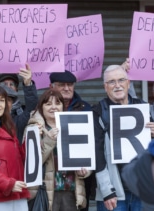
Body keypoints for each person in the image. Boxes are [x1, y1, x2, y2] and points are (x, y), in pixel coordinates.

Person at [93, 65, 154, 211]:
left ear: (128, 83)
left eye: (121, 80)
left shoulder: (143, 107)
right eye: (111, 82)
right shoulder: (98, 111)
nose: (117, 85)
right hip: (114, 192)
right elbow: (97, 153)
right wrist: (106, 190)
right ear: (105, 87)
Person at [26, 89, 90, 211]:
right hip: (46, 192)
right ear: (41, 107)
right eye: (48, 104)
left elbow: (86, 156)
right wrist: (49, 139)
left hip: (71, 191)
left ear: (63, 106)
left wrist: (85, 171)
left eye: (57, 103)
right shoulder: (34, 128)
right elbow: (32, 164)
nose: (53, 107)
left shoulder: (73, 125)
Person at [49, 70, 93, 211]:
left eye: (70, 85)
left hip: (76, 184)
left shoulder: (86, 109)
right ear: (52, 87)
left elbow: (93, 145)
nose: (67, 88)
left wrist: (87, 170)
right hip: (50, 184)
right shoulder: (44, 109)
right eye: (62, 85)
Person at [0, 63, 38, 143]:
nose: (8, 87)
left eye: (11, 84)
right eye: (4, 84)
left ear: (16, 89)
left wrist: (28, 84)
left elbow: (32, 107)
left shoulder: (22, 114)